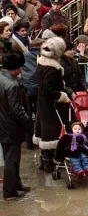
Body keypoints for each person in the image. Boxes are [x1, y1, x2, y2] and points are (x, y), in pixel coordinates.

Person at [33, 37, 71, 173]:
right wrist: (61, 96)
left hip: (43, 103)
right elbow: (48, 89)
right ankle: (49, 164)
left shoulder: (42, 63)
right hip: (51, 105)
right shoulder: (51, 68)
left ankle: (44, 162)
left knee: (44, 132)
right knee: (51, 133)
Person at [0, 52, 33, 199]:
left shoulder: (3, 78)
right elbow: (16, 110)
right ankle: (9, 191)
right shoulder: (12, 85)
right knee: (11, 159)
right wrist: (27, 123)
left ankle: (16, 184)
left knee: (12, 158)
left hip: (4, 124)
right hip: (11, 127)